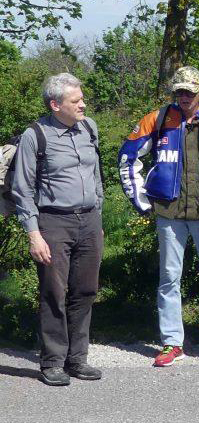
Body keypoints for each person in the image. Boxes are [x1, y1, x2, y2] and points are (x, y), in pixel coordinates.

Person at [118, 66, 199, 368]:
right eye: (180, 91)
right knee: (169, 279)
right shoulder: (158, 118)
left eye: (190, 90)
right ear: (173, 92)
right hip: (169, 213)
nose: (185, 95)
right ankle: (172, 342)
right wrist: (142, 202)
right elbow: (127, 158)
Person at [11, 73, 104, 386]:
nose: (83, 104)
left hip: (89, 220)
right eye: (75, 101)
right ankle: (52, 362)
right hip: (53, 222)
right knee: (53, 292)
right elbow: (23, 189)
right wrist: (33, 233)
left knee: (86, 290)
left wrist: (98, 216)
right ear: (55, 104)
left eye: (82, 98)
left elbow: (96, 176)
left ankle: (77, 359)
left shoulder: (89, 127)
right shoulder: (34, 135)